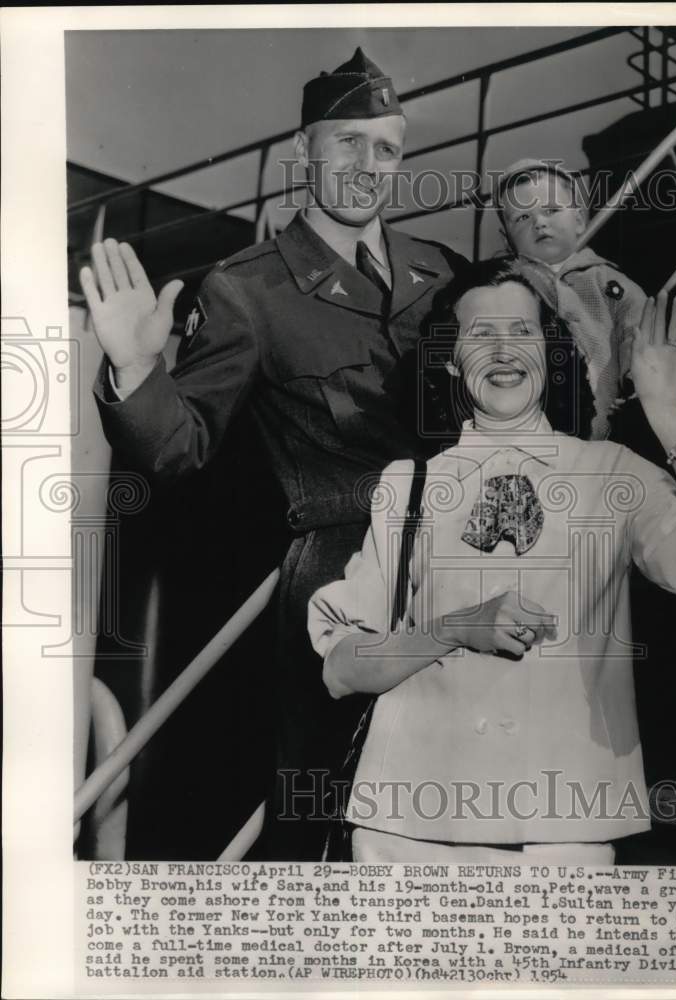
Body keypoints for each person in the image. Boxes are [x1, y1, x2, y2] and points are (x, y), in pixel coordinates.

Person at [80, 47, 465, 860]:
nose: (369, 166)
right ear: (305, 154)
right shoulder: (246, 289)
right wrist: (135, 370)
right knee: (329, 809)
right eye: (347, 144)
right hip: (339, 574)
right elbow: (178, 450)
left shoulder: (446, 274)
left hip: (462, 559)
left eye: (387, 148)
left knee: (460, 792)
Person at [308, 259, 676, 863]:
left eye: (522, 331)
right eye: (480, 334)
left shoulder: (611, 473)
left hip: (564, 833)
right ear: (452, 359)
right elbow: (344, 667)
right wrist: (456, 627)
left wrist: (669, 417)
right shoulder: (407, 488)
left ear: (552, 351)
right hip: (407, 833)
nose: (503, 350)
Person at [496, 158, 648, 439]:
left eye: (551, 210)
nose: (540, 223)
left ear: (579, 220)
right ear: (507, 239)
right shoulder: (507, 287)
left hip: (606, 419)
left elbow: (634, 329)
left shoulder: (604, 280)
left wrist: (635, 381)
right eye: (522, 217)